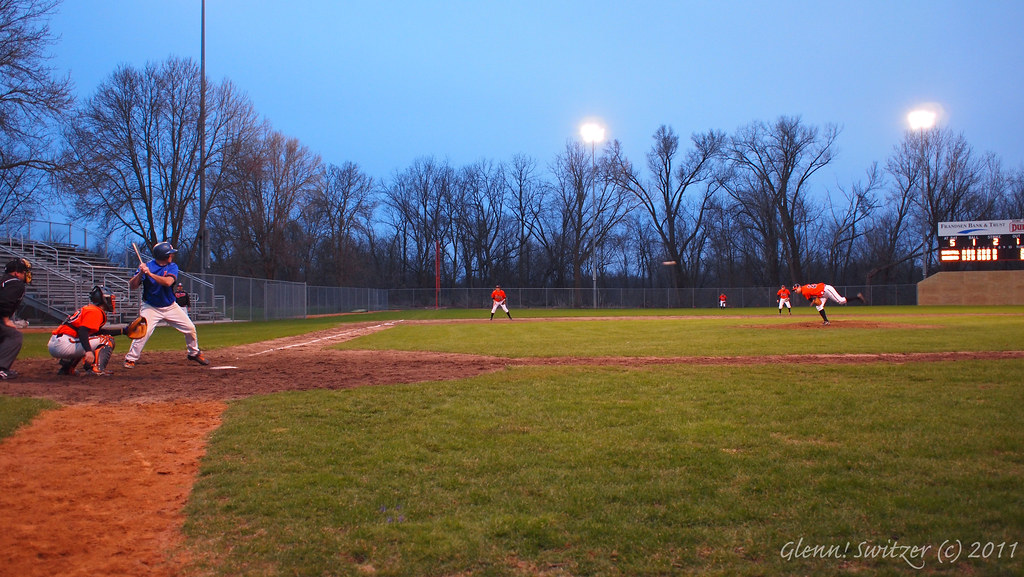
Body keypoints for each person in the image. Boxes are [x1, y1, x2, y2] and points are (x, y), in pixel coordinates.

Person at [124, 241, 209, 367]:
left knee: (190, 328)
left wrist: (150, 274)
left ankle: (193, 353)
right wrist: (141, 273)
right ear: (163, 256)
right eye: (170, 254)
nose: (172, 256)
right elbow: (132, 286)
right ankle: (131, 358)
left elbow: (168, 282)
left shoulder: (172, 266)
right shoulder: (147, 266)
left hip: (170, 306)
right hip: (151, 307)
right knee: (144, 332)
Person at [49, 286, 129, 376]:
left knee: (88, 339)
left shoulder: (90, 309)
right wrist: (88, 351)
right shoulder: (95, 311)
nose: (112, 302)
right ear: (104, 299)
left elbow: (97, 332)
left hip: (59, 342)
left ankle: (67, 369)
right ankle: (97, 369)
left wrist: (123, 331)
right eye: (110, 299)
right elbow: (83, 331)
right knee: (107, 340)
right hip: (64, 343)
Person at [0, 258, 31, 380]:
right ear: (16, 273)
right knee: (14, 336)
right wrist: (6, 319)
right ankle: (1, 369)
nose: (25, 275)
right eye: (24, 272)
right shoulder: (15, 283)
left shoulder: (4, 280)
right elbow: (5, 302)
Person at [791, 282, 864, 325]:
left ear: (799, 287)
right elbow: (812, 299)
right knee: (819, 307)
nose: (795, 291)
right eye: (794, 290)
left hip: (826, 289)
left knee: (841, 301)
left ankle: (857, 297)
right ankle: (826, 321)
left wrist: (813, 302)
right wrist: (814, 302)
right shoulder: (804, 289)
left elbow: (812, 299)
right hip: (822, 294)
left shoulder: (804, 291)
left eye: (795, 289)